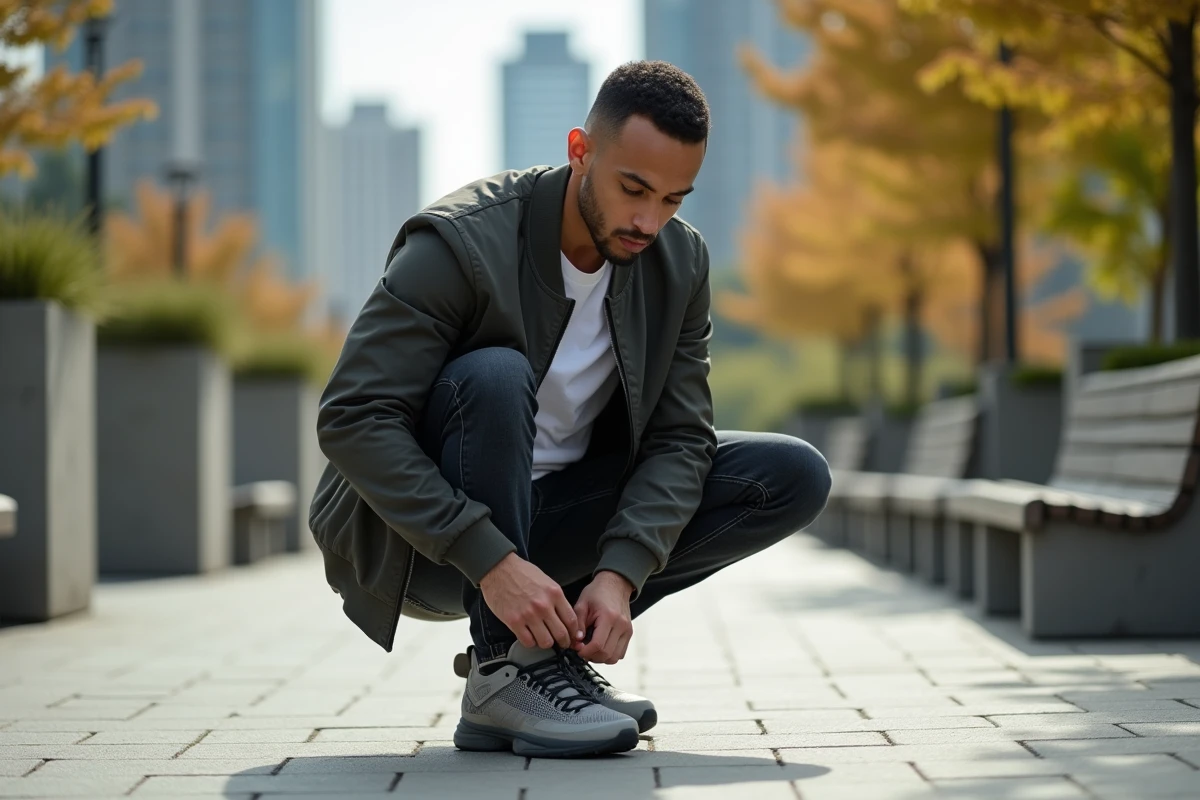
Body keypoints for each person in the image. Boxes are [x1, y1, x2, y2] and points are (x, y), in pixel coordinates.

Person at [310, 60, 832, 758]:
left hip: (556, 528)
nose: (650, 220)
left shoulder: (680, 264)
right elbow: (352, 415)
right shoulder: (462, 244)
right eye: (634, 189)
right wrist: (492, 559)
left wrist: (620, 575)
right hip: (425, 552)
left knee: (790, 474)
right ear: (580, 150)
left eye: (675, 198)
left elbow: (679, 438)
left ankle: (549, 658)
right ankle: (505, 671)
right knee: (494, 373)